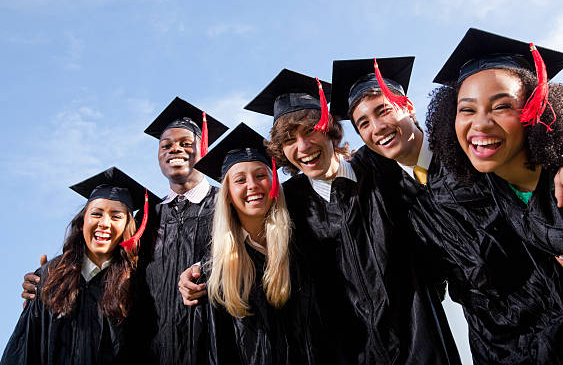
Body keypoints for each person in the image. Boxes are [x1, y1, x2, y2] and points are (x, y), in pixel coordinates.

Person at [330, 31, 563, 363]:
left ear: (407, 105)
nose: (376, 127)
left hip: (561, 306)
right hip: (495, 337)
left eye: (383, 111)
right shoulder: (386, 189)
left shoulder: (472, 142)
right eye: (363, 123)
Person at [243, 69, 460, 364]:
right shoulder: (287, 204)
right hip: (347, 352)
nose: (303, 147)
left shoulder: (382, 169)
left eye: (310, 130)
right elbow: (248, 239)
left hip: (420, 343)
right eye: (289, 141)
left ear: (330, 130)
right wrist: (198, 268)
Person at [20, 97, 229, 365]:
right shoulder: (146, 220)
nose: (175, 149)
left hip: (217, 345)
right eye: (166, 145)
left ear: (204, 147)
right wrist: (50, 280)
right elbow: (108, 270)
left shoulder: (227, 206)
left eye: (186, 143)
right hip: (153, 353)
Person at [188, 122, 329, 363]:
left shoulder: (304, 245)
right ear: (228, 196)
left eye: (261, 175)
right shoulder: (215, 272)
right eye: (240, 180)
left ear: (274, 183)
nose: (253, 185)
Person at [2, 167, 159, 365]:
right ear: (82, 220)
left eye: (116, 216)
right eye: (96, 213)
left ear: (128, 227)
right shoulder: (49, 277)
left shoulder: (136, 285)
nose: (104, 223)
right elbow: (25, 348)